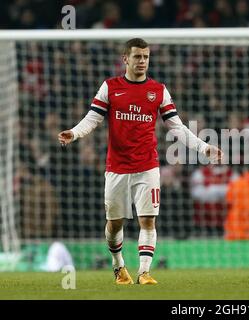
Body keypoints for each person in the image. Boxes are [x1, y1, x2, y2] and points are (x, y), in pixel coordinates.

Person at [58, 38, 223, 285]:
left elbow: (177, 128)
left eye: (146, 57)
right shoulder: (110, 87)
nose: (142, 61)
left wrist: (204, 147)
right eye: (137, 57)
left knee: (148, 219)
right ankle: (118, 266)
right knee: (115, 224)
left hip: (148, 166)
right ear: (126, 59)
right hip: (117, 167)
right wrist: (74, 132)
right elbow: (93, 118)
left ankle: (144, 272)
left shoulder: (158, 91)